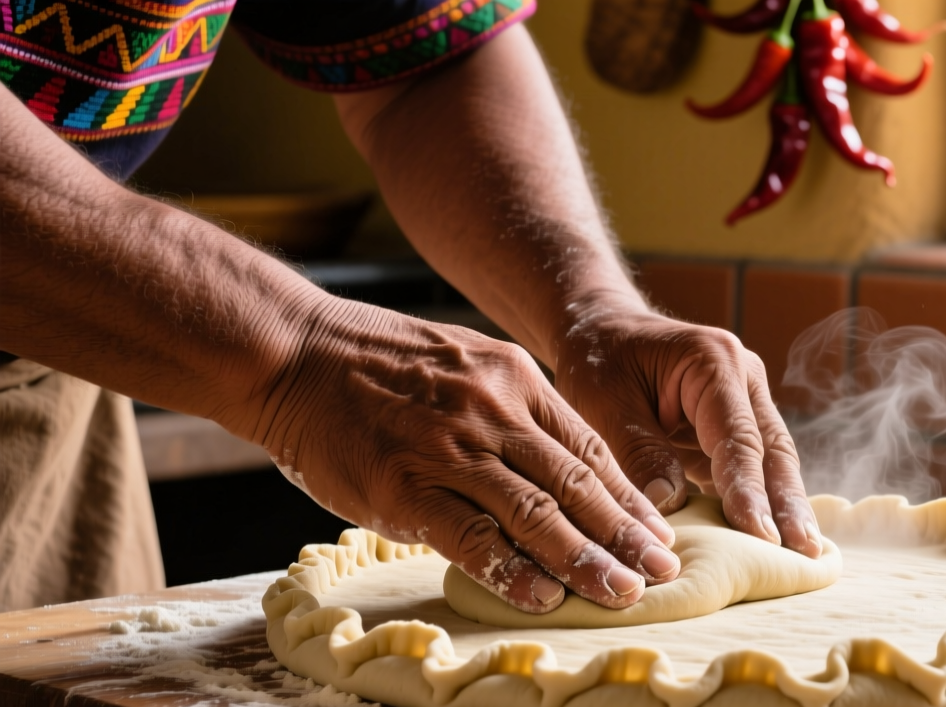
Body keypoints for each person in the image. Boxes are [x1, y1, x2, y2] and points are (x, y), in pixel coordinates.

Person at [0, 0, 822, 613]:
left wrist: (592, 313)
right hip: (57, 289)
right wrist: (296, 354)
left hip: (48, 363)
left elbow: (421, 58)